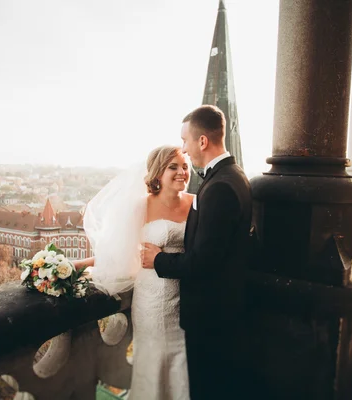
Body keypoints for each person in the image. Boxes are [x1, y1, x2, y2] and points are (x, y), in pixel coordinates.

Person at [141, 105, 253, 399]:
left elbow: (205, 261)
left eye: (185, 141)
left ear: (202, 141)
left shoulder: (220, 187)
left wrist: (158, 259)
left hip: (212, 316)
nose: (184, 149)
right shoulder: (231, 176)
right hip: (217, 311)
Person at [74, 145, 193, 400]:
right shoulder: (141, 206)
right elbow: (118, 251)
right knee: (154, 360)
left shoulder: (195, 204)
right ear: (158, 172)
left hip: (190, 298)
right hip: (152, 300)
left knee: (183, 363)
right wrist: (75, 266)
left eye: (185, 166)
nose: (182, 172)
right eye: (173, 166)